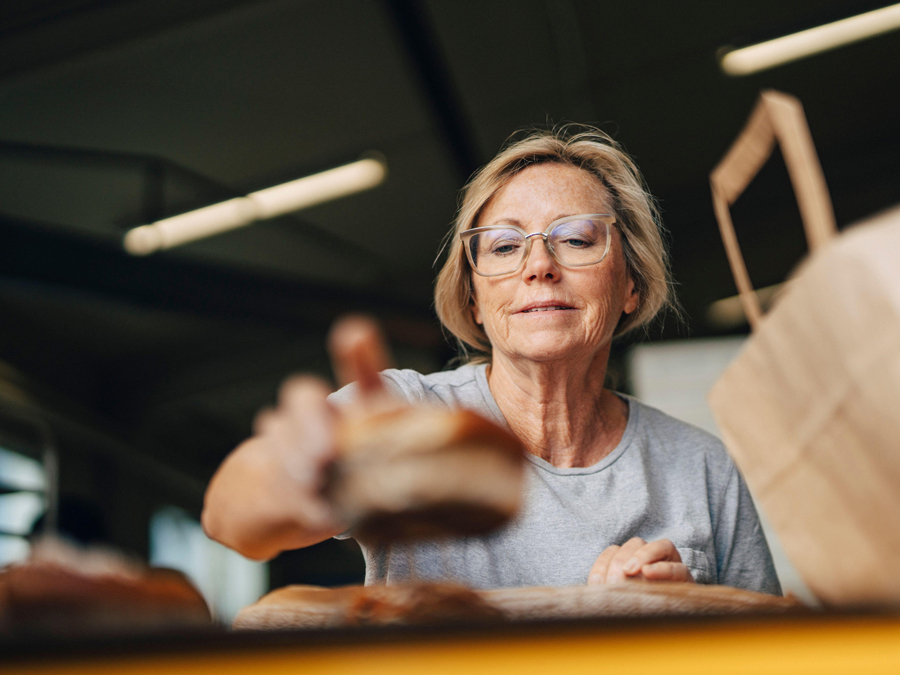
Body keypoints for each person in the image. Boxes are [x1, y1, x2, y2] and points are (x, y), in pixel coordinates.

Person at [202, 126, 781, 595]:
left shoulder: (699, 467)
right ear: (475, 299)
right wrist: (308, 479)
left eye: (577, 238)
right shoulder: (408, 413)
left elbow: (778, 654)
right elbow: (229, 518)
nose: (539, 265)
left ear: (631, 283)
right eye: (505, 245)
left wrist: (691, 623)